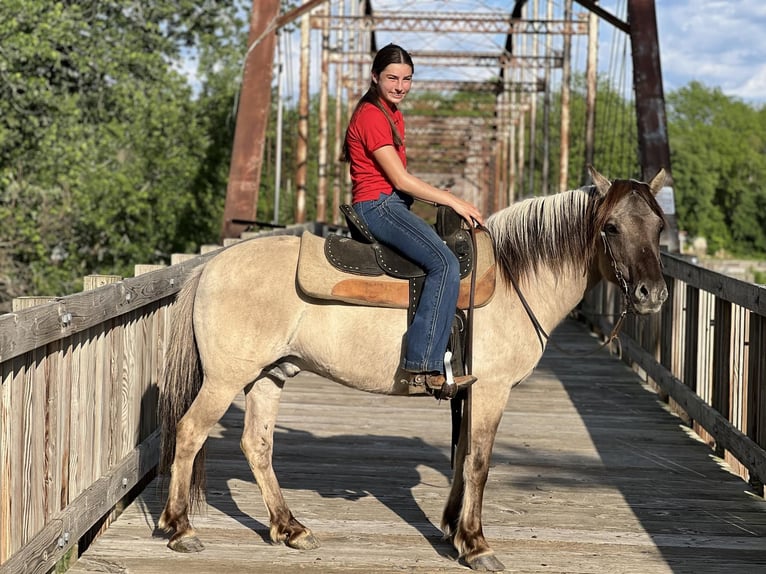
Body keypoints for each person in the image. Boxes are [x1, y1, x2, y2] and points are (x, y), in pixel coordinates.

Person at [342, 43, 484, 397]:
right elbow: (402, 180)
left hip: (391, 204)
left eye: (407, 79)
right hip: (379, 206)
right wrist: (454, 200)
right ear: (375, 77)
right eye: (392, 78)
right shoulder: (373, 116)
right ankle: (424, 366)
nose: (400, 86)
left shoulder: (391, 112)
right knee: (444, 263)